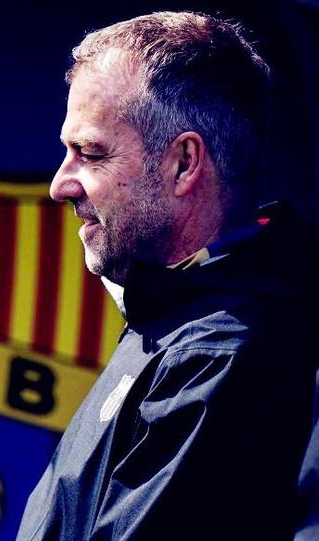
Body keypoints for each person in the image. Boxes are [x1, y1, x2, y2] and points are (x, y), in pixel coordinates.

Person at [16, 11, 318, 541]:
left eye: (90, 153)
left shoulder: (221, 353)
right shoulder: (175, 317)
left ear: (183, 163)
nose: (60, 185)